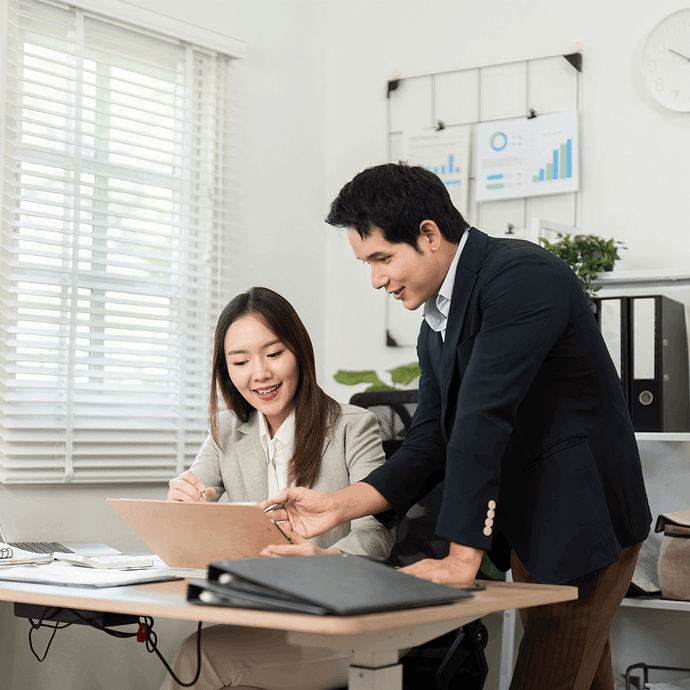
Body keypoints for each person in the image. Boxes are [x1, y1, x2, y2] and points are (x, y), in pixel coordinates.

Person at [262, 162, 652, 690]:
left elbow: (483, 416)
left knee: (550, 671)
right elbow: (431, 441)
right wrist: (339, 504)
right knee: (581, 671)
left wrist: (461, 557)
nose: (376, 278)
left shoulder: (520, 277)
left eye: (382, 257)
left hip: (585, 518)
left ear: (429, 233)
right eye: (367, 262)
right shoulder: (436, 327)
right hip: (537, 524)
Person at [161, 286, 394, 690]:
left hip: (349, 625)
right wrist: (184, 506)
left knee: (197, 658)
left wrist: (323, 558)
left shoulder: (353, 427)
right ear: (226, 370)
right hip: (270, 617)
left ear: (299, 353)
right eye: (240, 360)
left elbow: (377, 533)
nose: (260, 374)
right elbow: (193, 502)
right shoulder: (227, 430)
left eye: (274, 354)